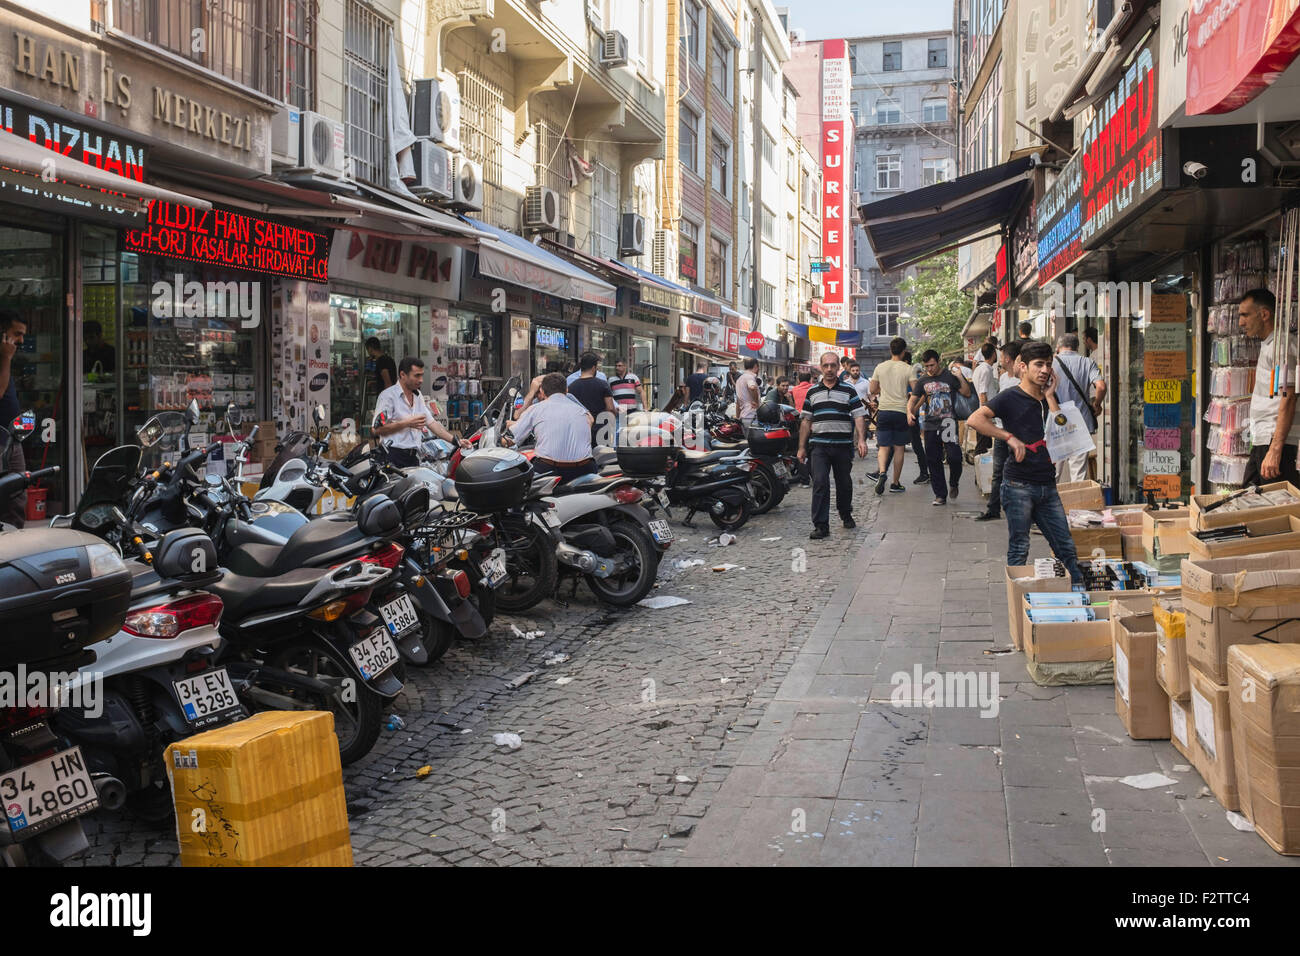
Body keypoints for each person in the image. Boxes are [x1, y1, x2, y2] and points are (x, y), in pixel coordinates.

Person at [967, 341, 1084, 587]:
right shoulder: (1010, 397)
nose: (1044, 370)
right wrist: (1009, 438)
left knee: (1065, 547)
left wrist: (1051, 397)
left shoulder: (1049, 397)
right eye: (1038, 365)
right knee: (1019, 548)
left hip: (1047, 485)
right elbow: (975, 419)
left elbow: (1062, 428)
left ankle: (1082, 598)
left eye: (1048, 365)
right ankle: (1018, 606)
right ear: (1023, 367)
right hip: (1018, 485)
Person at [798, 351, 868, 539]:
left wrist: (861, 439)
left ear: (839, 367)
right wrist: (801, 447)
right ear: (821, 367)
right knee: (820, 483)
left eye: (833, 365)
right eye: (826, 365)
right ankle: (821, 525)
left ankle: (845, 514)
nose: (829, 369)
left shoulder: (848, 390)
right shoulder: (812, 391)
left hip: (843, 446)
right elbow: (806, 420)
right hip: (819, 446)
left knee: (844, 483)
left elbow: (858, 415)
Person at [1241, 288, 1300, 486]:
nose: (1241, 322)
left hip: (1275, 444)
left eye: (1245, 315)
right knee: (1248, 505)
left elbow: (1288, 397)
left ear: (1264, 314)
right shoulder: (1271, 345)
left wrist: (1275, 449)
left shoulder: (1281, 346)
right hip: (1263, 441)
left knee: (1276, 512)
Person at [373, 356, 468, 467]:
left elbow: (432, 423)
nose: (421, 380)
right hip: (392, 457)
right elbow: (376, 430)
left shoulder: (418, 396)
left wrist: (456, 441)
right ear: (403, 375)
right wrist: (406, 423)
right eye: (417, 375)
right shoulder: (388, 397)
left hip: (413, 457)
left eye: (422, 375)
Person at [504, 372, 598, 483]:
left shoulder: (536, 408)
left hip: (551, 470)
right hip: (585, 468)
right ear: (566, 390)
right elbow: (589, 420)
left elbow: (510, 440)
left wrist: (501, 441)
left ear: (542, 391)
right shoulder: (580, 410)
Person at [907, 349, 971, 506]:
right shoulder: (922, 381)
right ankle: (940, 495)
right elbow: (913, 399)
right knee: (933, 459)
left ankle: (954, 482)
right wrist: (909, 412)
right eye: (927, 366)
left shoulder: (949, 376)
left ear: (938, 362)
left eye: (932, 365)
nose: (930, 369)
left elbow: (967, 392)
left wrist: (960, 376)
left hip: (948, 422)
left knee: (954, 456)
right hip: (930, 424)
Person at [975, 340, 1022, 522]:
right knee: (998, 472)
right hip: (1002, 432)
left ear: (1009, 358)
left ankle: (1025, 512)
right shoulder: (1003, 378)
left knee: (1020, 473)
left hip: (1018, 433)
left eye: (1002, 355)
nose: (1000, 358)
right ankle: (993, 508)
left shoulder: (1022, 380)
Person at [1052, 332, 1105, 482]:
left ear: (1058, 347)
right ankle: (1077, 504)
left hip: (1057, 424)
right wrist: (1097, 404)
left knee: (1053, 472)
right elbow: (1101, 386)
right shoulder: (1087, 362)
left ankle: (1048, 504)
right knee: (1078, 473)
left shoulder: (1050, 364)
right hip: (1081, 423)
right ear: (1077, 346)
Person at [867, 336, 915, 496]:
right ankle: (895, 483)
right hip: (901, 411)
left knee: (883, 446)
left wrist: (884, 389)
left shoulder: (880, 367)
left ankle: (881, 472)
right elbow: (916, 390)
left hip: (885, 410)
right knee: (899, 447)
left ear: (890, 350)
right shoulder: (908, 368)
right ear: (904, 351)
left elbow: (872, 389)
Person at [0, 310, 27, 527]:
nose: (21, 340)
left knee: (16, 493)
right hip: (2, 439)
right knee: (11, 496)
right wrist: (7, 358)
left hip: (11, 437)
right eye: (16, 334)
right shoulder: (3, 358)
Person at [568, 351, 617, 444]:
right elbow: (610, 408)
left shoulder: (571, 387)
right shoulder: (602, 385)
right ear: (594, 368)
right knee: (602, 456)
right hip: (601, 429)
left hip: (580, 430)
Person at [972, 341, 1000, 455]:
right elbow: (983, 393)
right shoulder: (986, 370)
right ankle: (980, 471)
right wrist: (986, 414)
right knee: (982, 446)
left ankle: (983, 470)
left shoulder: (981, 368)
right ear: (993, 354)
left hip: (984, 411)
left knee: (986, 446)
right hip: (985, 412)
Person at [735, 357, 761, 426]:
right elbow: (752, 387)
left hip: (743, 415)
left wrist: (737, 418)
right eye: (758, 367)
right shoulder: (750, 377)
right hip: (751, 415)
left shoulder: (739, 379)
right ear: (755, 366)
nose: (758, 369)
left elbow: (738, 402)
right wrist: (756, 402)